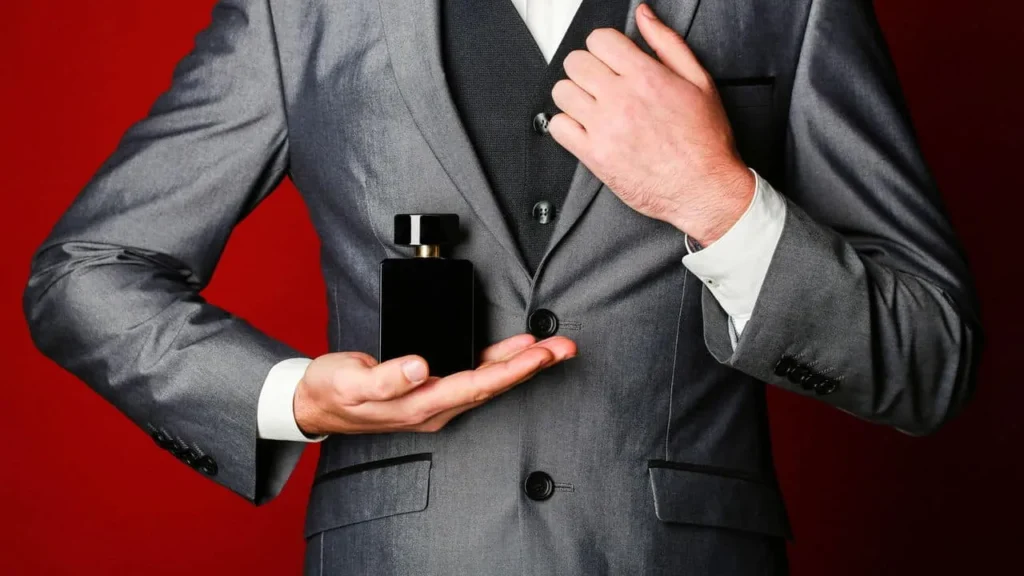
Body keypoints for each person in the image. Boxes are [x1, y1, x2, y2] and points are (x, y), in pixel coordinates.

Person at [23, 0, 982, 574]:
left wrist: (716, 198)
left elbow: (930, 361)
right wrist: (294, 398)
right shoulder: (301, 10)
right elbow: (84, 274)